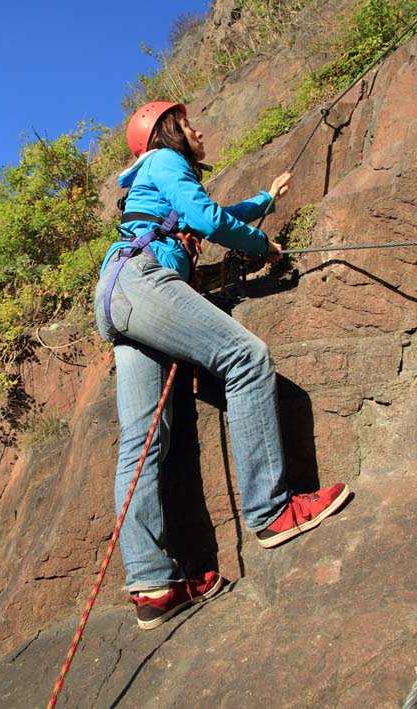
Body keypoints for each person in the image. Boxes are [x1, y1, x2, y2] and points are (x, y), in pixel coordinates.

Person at [95, 101, 350, 630]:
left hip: (118, 293)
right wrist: (264, 246)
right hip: (142, 282)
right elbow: (206, 218)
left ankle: (152, 585)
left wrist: (264, 201)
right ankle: (272, 511)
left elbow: (206, 213)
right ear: (167, 133)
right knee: (246, 357)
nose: (199, 129)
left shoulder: (155, 178)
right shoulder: (166, 160)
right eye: (189, 124)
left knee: (142, 443)